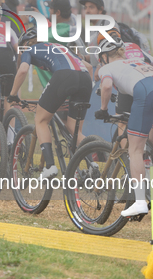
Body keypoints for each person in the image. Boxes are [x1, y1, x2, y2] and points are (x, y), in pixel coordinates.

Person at [95, 36, 153, 216]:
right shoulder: (136, 59)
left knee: (135, 149)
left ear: (105, 56)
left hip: (147, 93)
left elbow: (107, 85)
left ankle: (140, 201)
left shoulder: (107, 67)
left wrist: (102, 109)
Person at [8, 30, 93, 179]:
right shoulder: (60, 47)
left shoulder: (29, 49)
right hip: (85, 78)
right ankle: (93, 165)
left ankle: (50, 167)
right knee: (74, 129)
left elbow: (22, 70)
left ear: (26, 44)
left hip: (64, 76)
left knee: (41, 120)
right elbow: (90, 67)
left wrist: (13, 94)